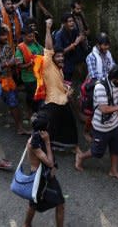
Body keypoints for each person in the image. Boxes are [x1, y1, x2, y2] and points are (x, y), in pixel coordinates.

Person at [75, 64, 118, 181]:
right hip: (101, 127)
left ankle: (113, 171)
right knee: (97, 152)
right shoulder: (100, 87)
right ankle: (80, 156)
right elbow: (104, 109)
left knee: (116, 147)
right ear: (115, 78)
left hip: (115, 123)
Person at [43, 18, 81, 154]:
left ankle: (66, 147)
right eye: (57, 57)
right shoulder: (48, 65)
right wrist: (48, 28)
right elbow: (48, 49)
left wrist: (66, 89)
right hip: (53, 102)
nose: (60, 58)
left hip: (62, 99)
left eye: (61, 56)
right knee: (54, 127)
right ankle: (50, 149)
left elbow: (58, 83)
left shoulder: (59, 68)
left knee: (66, 125)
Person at [0, 25, 28, 135]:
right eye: (3, 35)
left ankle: (20, 128)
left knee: (14, 102)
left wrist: (15, 62)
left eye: (6, 35)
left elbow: (11, 59)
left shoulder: (7, 45)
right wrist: (8, 63)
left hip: (7, 80)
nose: (6, 37)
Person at [23, 111, 65, 227]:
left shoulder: (37, 136)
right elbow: (50, 163)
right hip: (39, 178)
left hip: (46, 176)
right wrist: (47, 142)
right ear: (44, 129)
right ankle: (26, 224)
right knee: (35, 204)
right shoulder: (35, 143)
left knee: (58, 203)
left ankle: (27, 224)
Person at [15, 27, 44, 116]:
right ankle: (31, 112)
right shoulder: (20, 48)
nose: (31, 38)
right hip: (29, 78)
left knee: (40, 95)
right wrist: (30, 64)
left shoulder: (36, 44)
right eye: (29, 37)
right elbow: (19, 66)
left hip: (39, 76)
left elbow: (43, 53)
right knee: (32, 96)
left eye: (33, 36)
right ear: (23, 36)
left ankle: (38, 112)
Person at [54, 13, 86, 82]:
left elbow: (79, 38)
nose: (72, 23)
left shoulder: (74, 31)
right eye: (69, 21)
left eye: (73, 21)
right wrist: (74, 45)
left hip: (76, 61)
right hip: (66, 64)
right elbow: (58, 53)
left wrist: (81, 38)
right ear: (64, 23)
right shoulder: (59, 35)